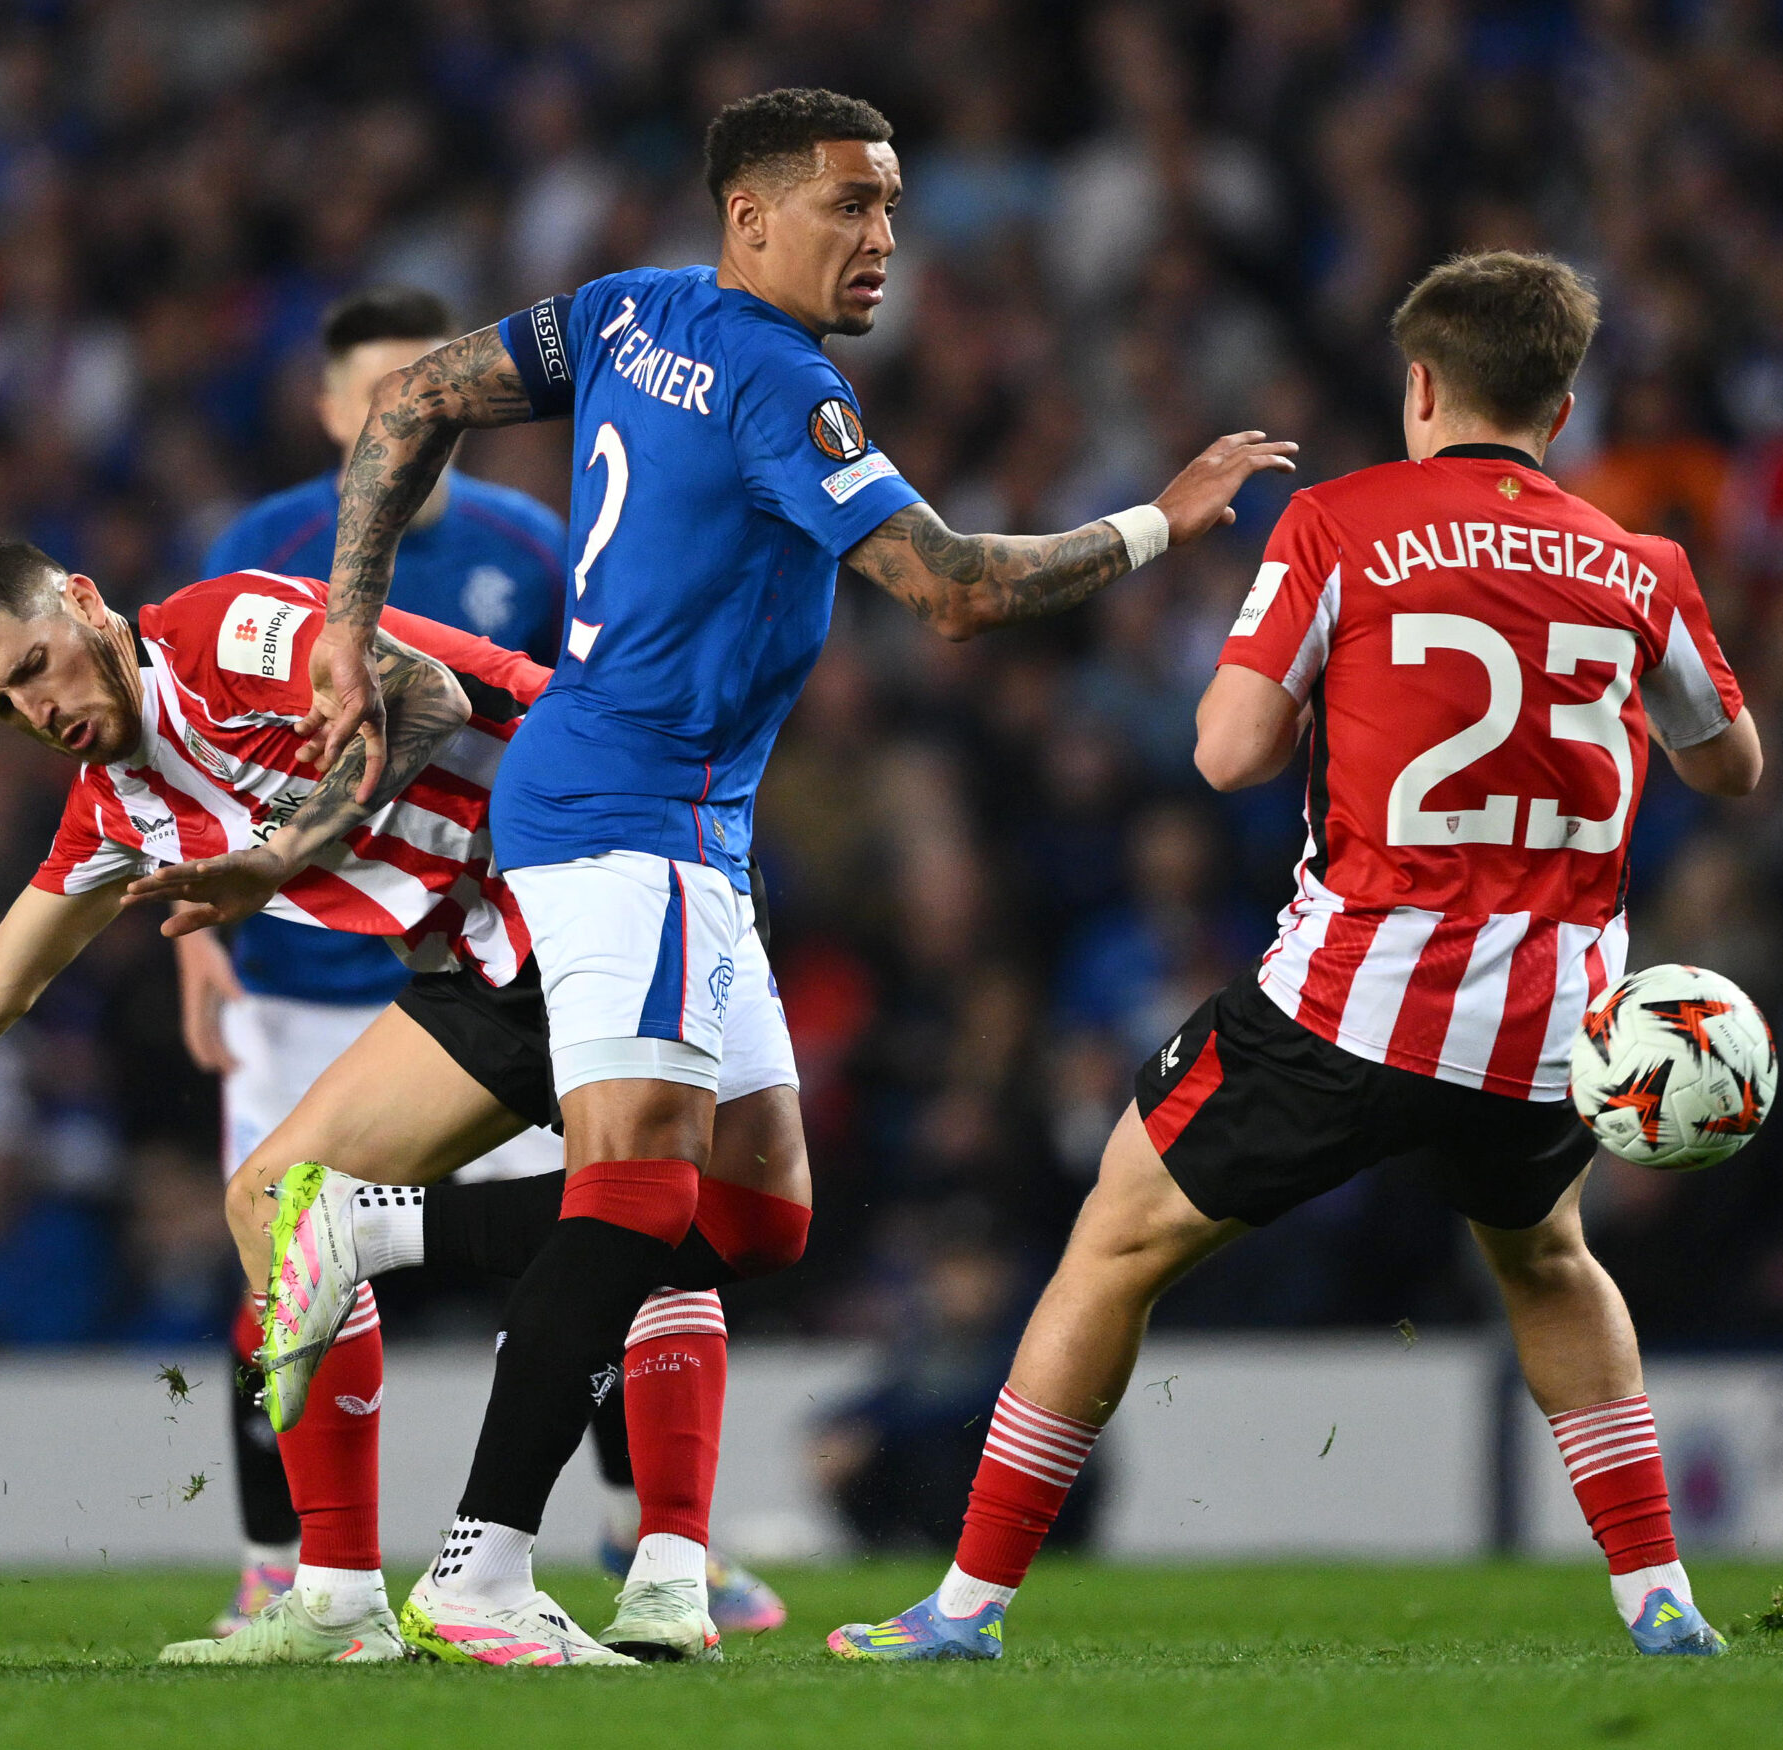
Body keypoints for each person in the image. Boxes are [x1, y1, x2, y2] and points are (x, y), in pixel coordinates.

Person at [273, 84, 1294, 1667]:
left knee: (753, 1213)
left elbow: (414, 394)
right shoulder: (781, 382)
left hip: (661, 818)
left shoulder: (624, 311)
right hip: (630, 813)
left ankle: (383, 1233)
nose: (883, 238)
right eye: (849, 205)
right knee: (634, 1192)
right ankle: (479, 1571)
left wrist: (353, 610)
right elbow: (953, 588)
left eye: (891, 206)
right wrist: (1158, 524)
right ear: (749, 216)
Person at [827, 250, 1764, 1662]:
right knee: (1547, 1259)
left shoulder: (1338, 523)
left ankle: (965, 1607)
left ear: (1420, 386)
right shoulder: (1644, 563)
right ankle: (1660, 1598)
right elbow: (1730, 765)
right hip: (1548, 1024)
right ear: (1562, 410)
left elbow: (1227, 753)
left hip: (1356, 997)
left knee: (1113, 1240)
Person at [0, 542, 798, 1667]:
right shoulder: (116, 809)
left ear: (84, 602)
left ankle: (656, 1553)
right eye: (0, 704)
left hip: (607, 857)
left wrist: (280, 853)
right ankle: (342, 1594)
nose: (36, 711)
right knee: (279, 1200)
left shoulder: (221, 636)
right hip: (493, 959)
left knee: (735, 1216)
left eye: (33, 666)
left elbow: (426, 695)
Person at [178, 283, 779, 1642]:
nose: (420, 413)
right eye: (384, 391)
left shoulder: (531, 540)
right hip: (297, 979)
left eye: (438, 383)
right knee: (273, 1240)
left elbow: (591, 705)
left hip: (507, 951)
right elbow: (204, 752)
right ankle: (285, 1562)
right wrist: (204, 943)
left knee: (618, 1221)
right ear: (333, 411)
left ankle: (642, 1531)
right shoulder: (266, 550)